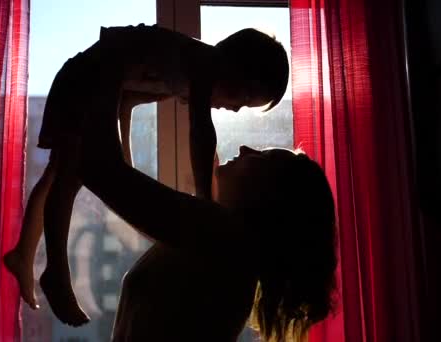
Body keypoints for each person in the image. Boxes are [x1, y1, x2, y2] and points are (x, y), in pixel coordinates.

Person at [3, 23, 290, 326]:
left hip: (83, 78)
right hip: (84, 80)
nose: (233, 109)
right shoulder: (199, 63)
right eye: (239, 95)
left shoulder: (176, 76)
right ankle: (56, 270)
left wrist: (123, 153)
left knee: (56, 173)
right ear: (228, 62)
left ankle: (24, 253)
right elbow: (201, 135)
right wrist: (206, 201)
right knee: (68, 175)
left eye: (242, 106)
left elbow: (128, 97)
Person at [77, 84, 338, 341]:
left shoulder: (224, 236)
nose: (246, 149)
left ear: (271, 196)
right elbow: (130, 193)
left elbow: (109, 178)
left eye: (261, 158)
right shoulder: (229, 251)